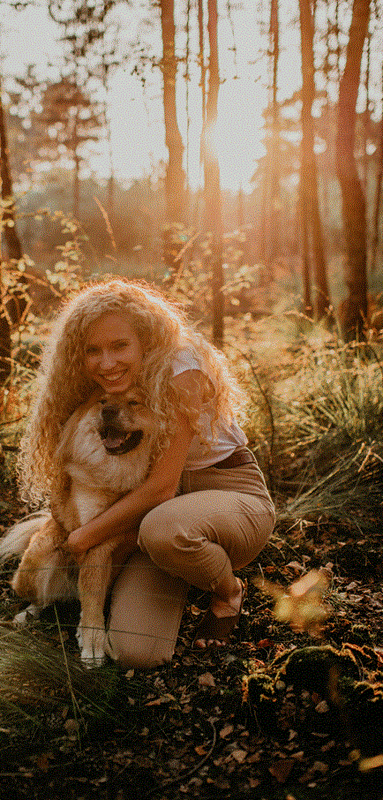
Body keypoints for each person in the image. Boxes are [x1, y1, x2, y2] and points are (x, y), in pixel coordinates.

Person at [18, 278, 275, 669]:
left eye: (120, 345)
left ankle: (227, 590)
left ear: (145, 338)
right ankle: (185, 570)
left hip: (224, 490)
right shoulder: (107, 382)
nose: (107, 362)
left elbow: (160, 489)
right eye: (93, 350)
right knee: (138, 652)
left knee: (164, 529)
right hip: (149, 516)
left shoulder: (181, 368)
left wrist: (85, 534)